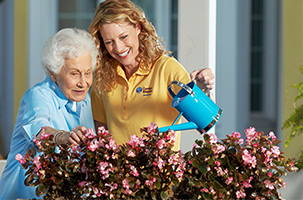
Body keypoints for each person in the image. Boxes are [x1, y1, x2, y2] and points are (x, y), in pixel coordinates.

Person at [88, 0, 215, 150]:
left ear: (138, 28)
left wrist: (201, 88)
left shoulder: (167, 69)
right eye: (109, 42)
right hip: (118, 172)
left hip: (160, 171)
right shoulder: (103, 77)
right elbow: (102, 133)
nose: (118, 48)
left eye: (123, 37)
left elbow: (205, 119)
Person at [0, 28, 98, 199]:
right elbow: (39, 132)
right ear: (53, 73)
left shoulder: (85, 100)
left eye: (87, 73)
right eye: (74, 73)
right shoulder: (38, 95)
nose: (83, 82)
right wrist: (63, 137)